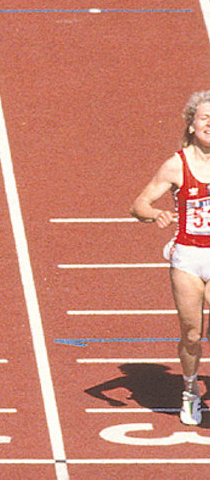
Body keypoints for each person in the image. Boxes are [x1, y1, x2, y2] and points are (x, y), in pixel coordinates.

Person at [131, 90, 210, 426]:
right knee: (192, 333)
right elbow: (139, 204)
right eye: (205, 118)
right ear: (191, 124)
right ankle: (190, 392)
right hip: (188, 256)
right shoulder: (176, 164)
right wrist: (154, 216)